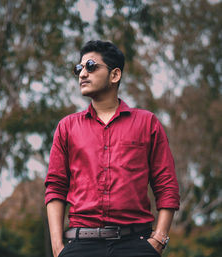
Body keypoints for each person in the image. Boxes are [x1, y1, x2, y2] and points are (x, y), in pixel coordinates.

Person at [45, 40, 180, 257]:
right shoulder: (67, 127)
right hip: (80, 245)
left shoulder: (147, 123)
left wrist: (159, 240)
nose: (82, 74)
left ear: (115, 75)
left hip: (136, 245)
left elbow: (166, 184)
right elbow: (56, 186)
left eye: (90, 66)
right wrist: (57, 247)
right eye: (79, 68)